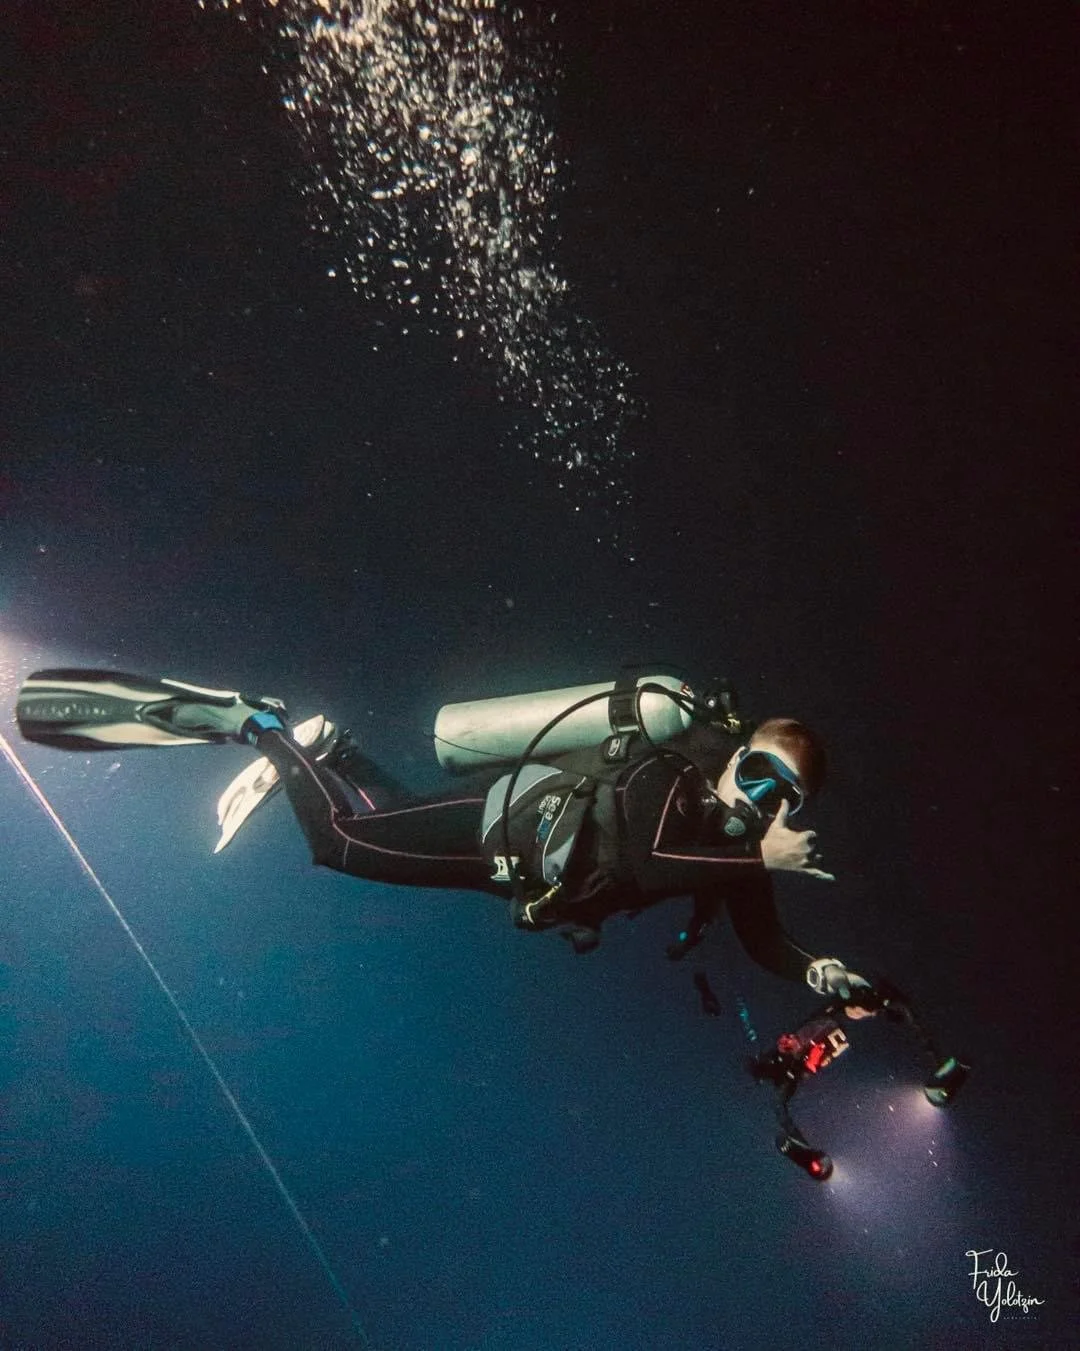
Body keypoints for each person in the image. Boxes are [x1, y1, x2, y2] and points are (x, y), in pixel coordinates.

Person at [15, 667, 873, 1010]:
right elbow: (649, 856)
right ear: (736, 752)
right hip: (500, 823)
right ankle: (256, 721)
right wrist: (753, 852)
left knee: (388, 815)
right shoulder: (675, 769)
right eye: (756, 774)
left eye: (781, 797)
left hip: (518, 872)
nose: (760, 801)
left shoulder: (731, 847)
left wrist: (815, 968)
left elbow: (761, 934)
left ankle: (332, 748)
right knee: (345, 842)